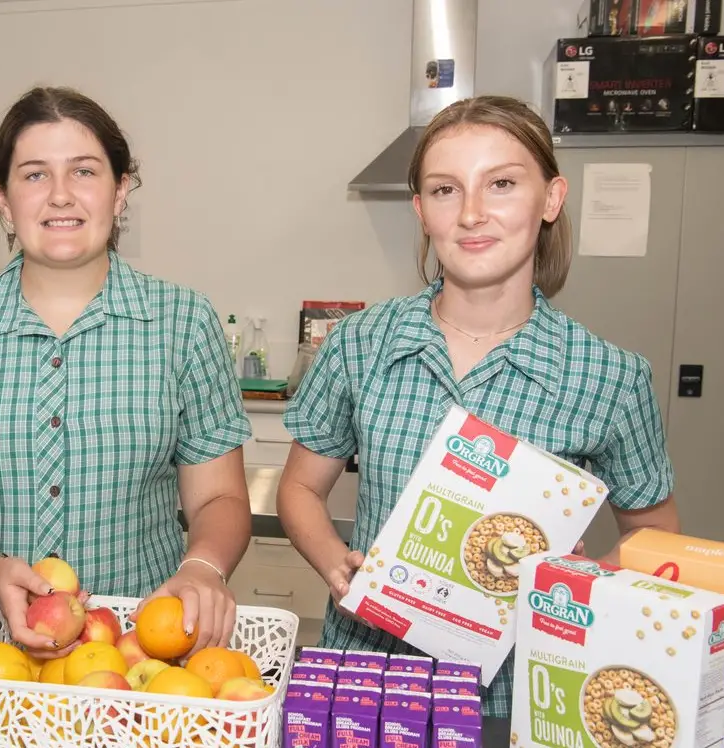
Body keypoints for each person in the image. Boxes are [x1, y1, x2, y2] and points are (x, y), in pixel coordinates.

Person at [276, 95, 680, 718]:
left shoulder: (609, 377)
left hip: (517, 695)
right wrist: (337, 567)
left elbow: (654, 533)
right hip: (372, 678)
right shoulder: (362, 342)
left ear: (550, 198)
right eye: (445, 190)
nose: (471, 213)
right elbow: (300, 488)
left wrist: (571, 591)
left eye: (502, 184)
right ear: (421, 211)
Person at [0, 86, 252, 661]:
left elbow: (219, 497)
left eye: (84, 171)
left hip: (137, 651)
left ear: (120, 189)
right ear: (2, 199)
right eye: (33, 175)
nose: (60, 195)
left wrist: (204, 567)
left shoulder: (183, 321)